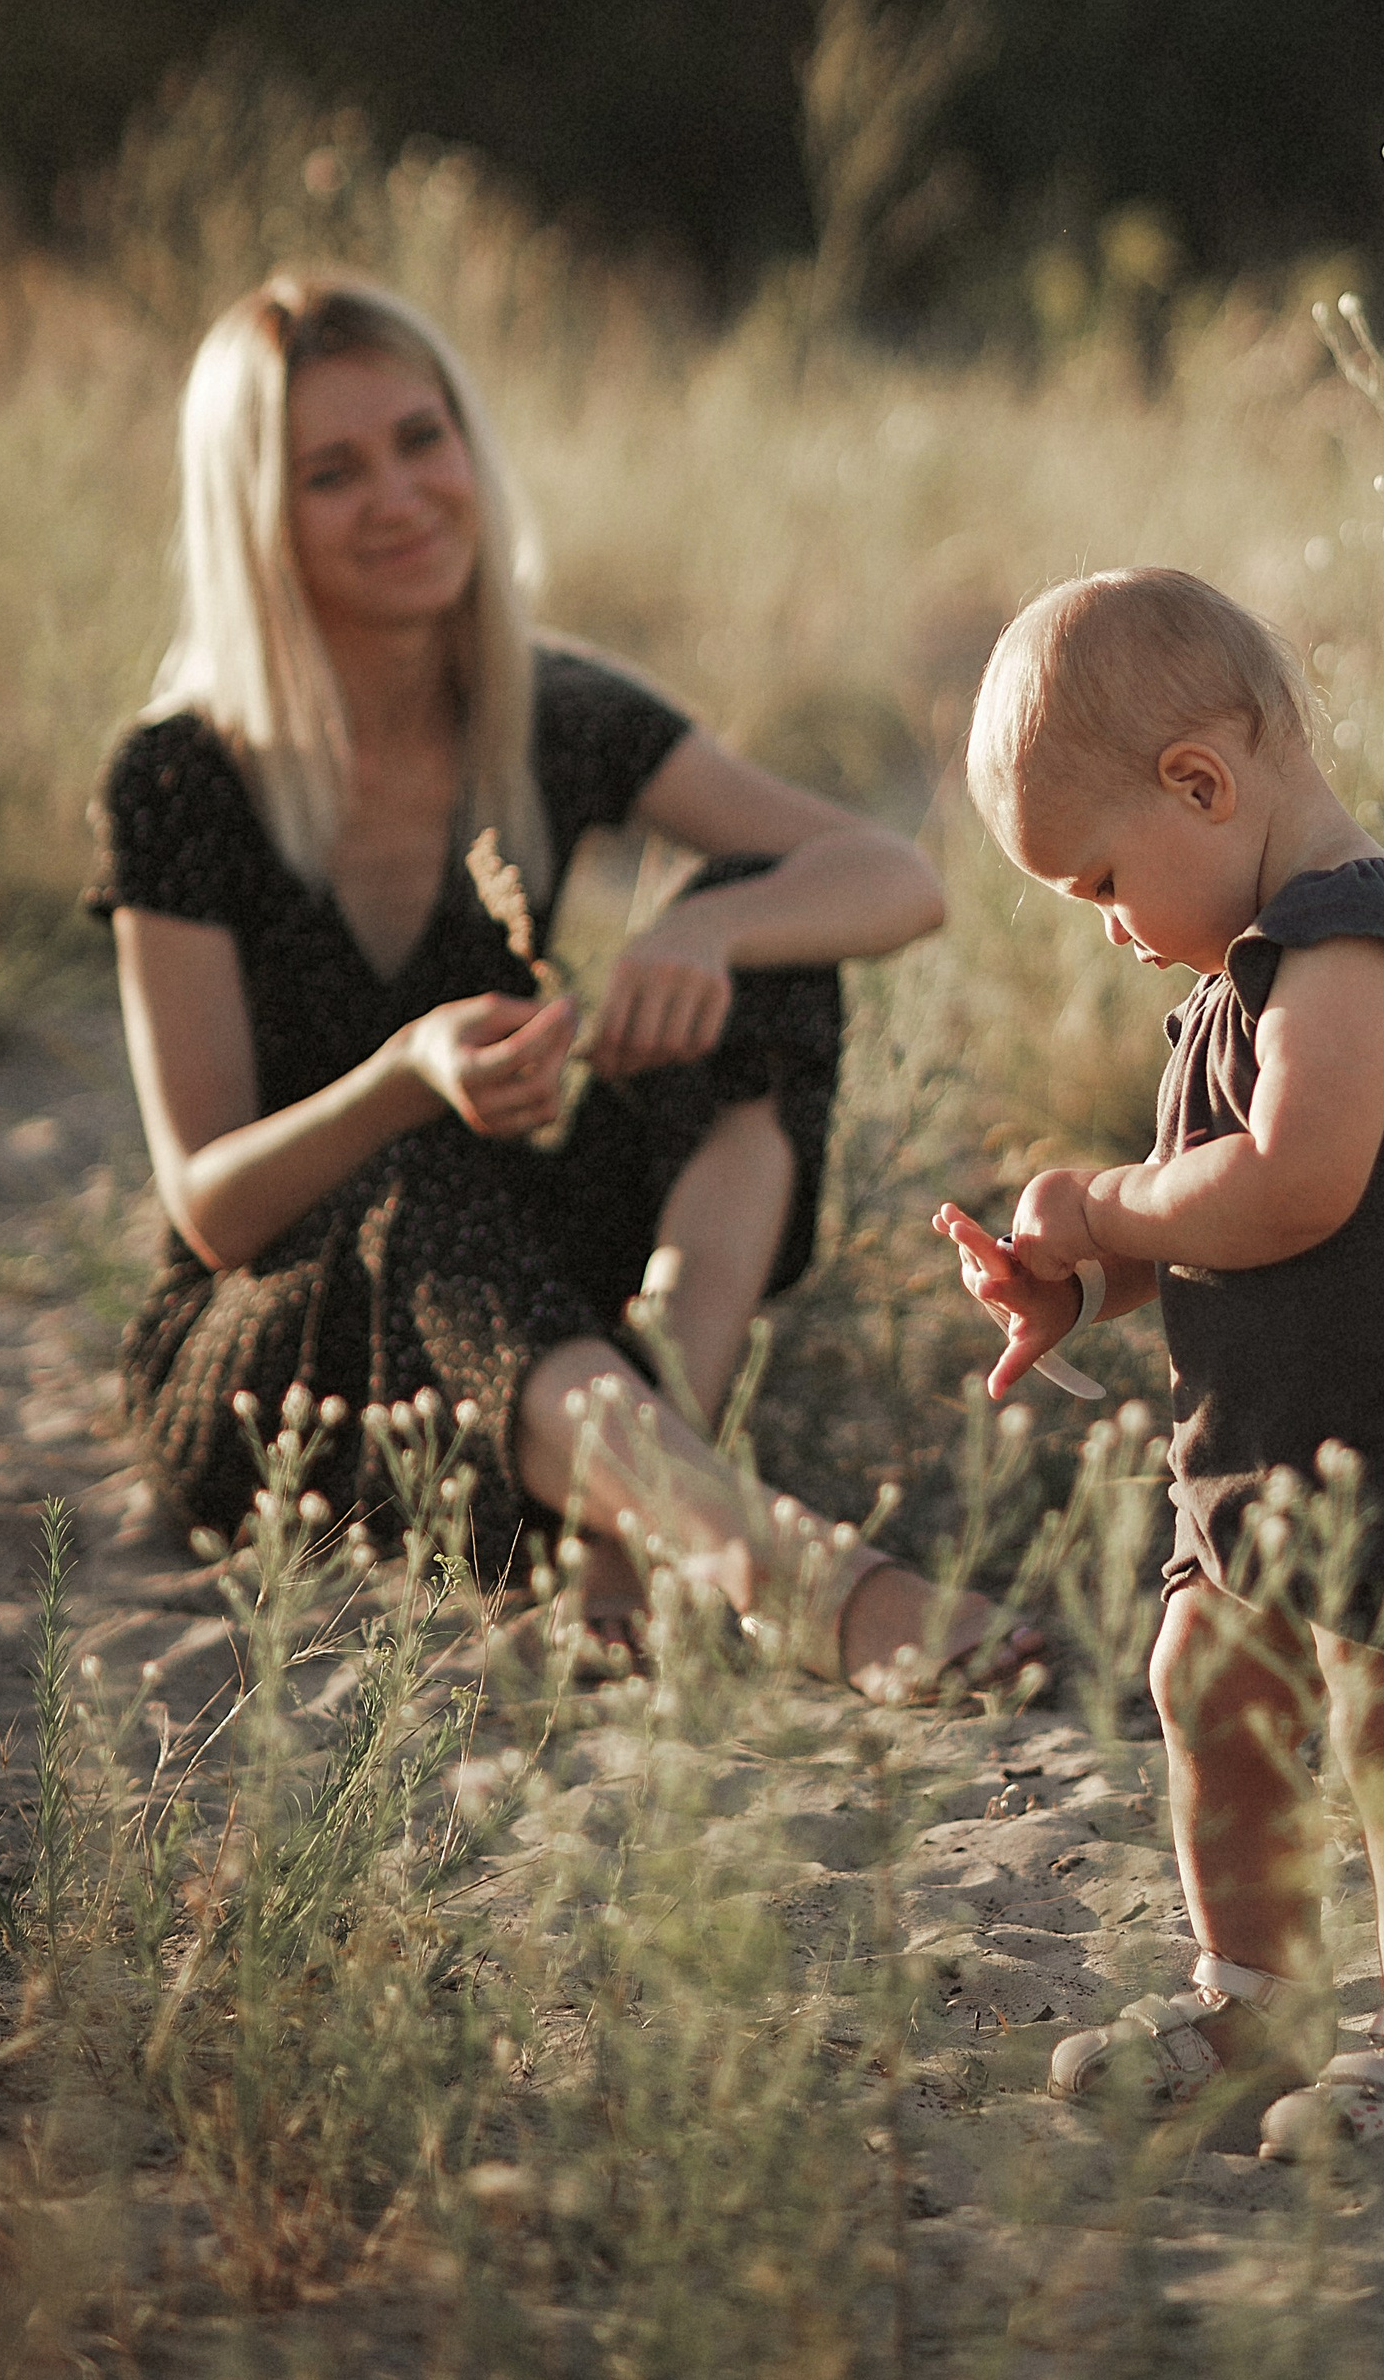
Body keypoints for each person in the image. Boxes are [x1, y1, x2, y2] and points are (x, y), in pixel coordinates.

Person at [91, 266, 1031, 1696]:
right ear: (255, 515)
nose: (399, 496)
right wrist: (403, 1077)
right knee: (415, 1184)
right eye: (331, 472)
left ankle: (624, 1528)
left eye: (421, 439)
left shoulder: (551, 708)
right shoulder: (179, 776)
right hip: (272, 1366)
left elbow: (894, 878)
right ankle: (791, 1574)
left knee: (768, 961)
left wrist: (711, 933)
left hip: (517, 1321)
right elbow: (209, 1205)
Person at [933, 567, 1384, 2152]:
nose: (1109, 927)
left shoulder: (1359, 941)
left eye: (1100, 880)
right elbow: (1214, 1225)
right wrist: (1086, 1282)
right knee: (1203, 1683)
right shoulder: (1246, 979)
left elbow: (1296, 1185)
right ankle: (1256, 2004)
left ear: (1201, 785)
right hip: (1270, 1447)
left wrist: (1103, 1198)